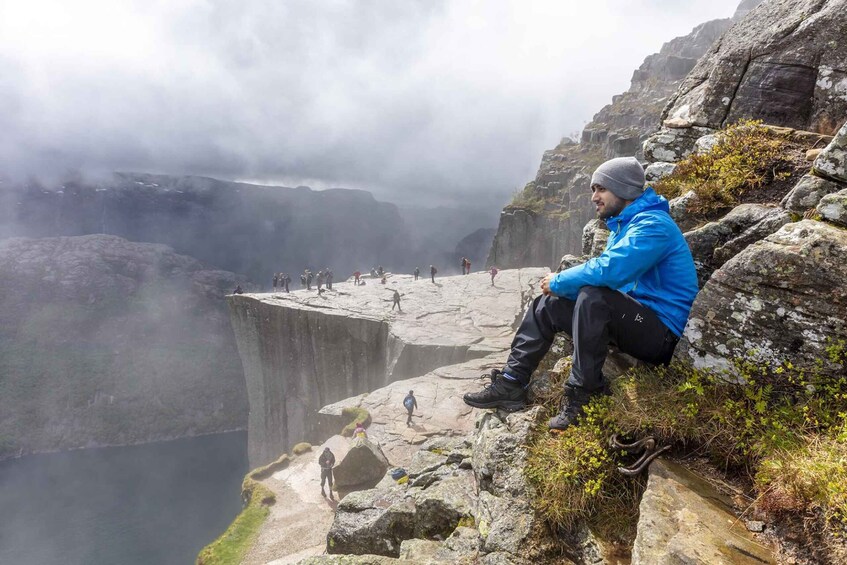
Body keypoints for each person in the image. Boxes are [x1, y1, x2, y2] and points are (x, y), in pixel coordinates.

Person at [462, 156, 699, 432]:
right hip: (636, 319)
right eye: (593, 190)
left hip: (661, 334)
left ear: (623, 190)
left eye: (600, 189)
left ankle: (584, 394)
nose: (594, 197)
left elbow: (610, 272)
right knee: (548, 304)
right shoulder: (625, 226)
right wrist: (562, 294)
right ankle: (512, 382)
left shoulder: (653, 226)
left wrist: (560, 280)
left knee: (592, 296)